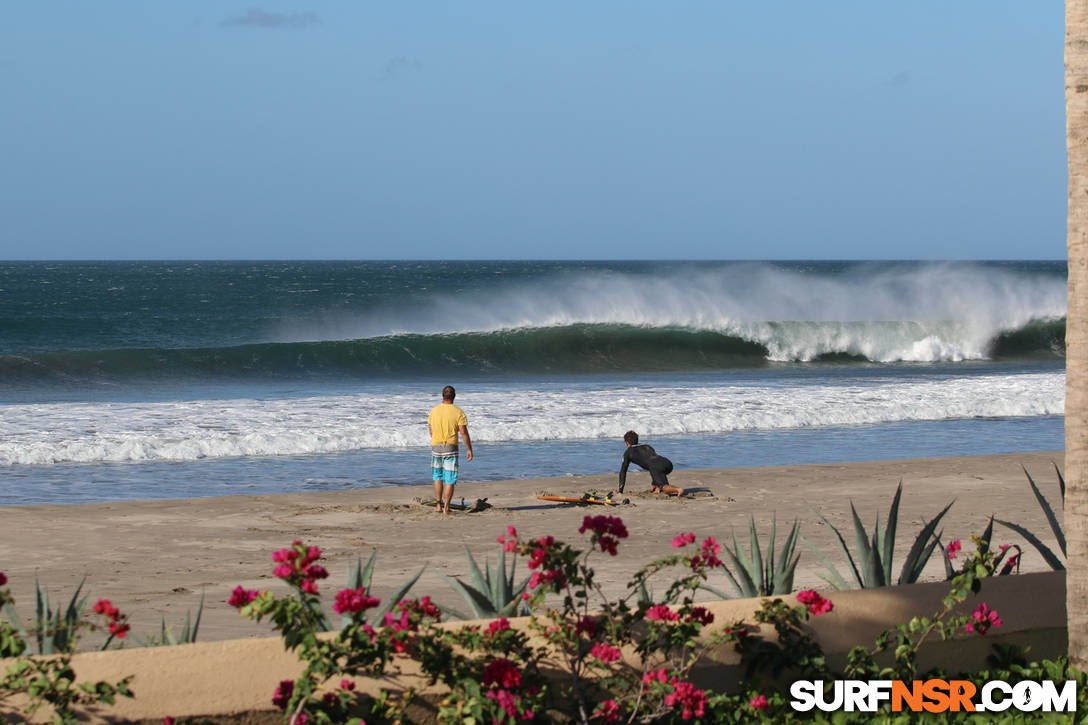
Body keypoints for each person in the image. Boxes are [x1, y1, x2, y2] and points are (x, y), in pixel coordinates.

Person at [428, 385, 473, 514]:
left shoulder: (434, 411)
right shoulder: (458, 412)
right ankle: (446, 508)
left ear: (442, 396)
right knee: (450, 479)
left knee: (437, 477)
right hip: (450, 446)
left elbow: (431, 431)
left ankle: (438, 505)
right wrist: (469, 448)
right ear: (454, 396)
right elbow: (463, 432)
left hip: (436, 446)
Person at [615, 430, 684, 496]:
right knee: (655, 480)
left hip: (656, 467)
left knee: (663, 488)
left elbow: (623, 472)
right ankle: (656, 487)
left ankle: (678, 489)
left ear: (627, 443)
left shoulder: (628, 453)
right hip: (667, 463)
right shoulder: (647, 446)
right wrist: (654, 483)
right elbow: (652, 460)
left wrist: (620, 491)